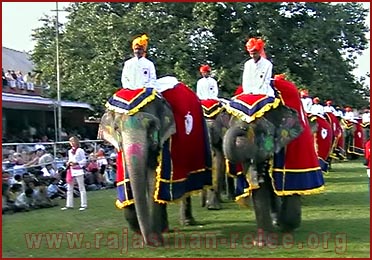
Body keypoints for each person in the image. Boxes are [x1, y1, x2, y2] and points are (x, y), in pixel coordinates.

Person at [61, 136, 87, 211]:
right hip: (71, 170)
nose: (71, 143)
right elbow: (70, 159)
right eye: (70, 142)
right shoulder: (69, 151)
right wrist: (68, 163)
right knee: (69, 188)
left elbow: (84, 160)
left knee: (81, 188)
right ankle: (69, 204)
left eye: (73, 141)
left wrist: (77, 163)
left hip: (78, 170)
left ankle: (84, 204)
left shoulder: (80, 150)